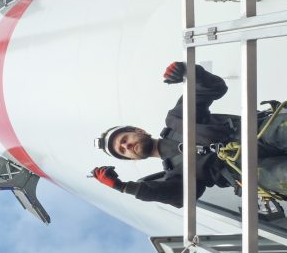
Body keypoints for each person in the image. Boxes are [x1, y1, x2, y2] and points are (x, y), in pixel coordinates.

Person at [90, 61, 287, 208]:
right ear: (132, 159)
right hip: (247, 172)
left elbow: (212, 88)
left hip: (259, 132)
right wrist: (123, 187)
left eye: (124, 139)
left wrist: (188, 71)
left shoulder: (177, 120)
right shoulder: (175, 175)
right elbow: (179, 196)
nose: (126, 146)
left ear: (139, 131)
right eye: (123, 151)